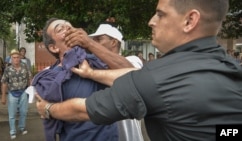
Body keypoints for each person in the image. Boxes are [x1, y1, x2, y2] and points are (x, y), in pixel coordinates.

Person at [36, 0, 242, 141]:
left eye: (160, 14)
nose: (151, 21)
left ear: (190, 21)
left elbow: (84, 109)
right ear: (53, 47)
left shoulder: (157, 79)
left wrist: (47, 109)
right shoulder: (232, 69)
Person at [32, 18, 118, 141]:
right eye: (60, 29)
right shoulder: (51, 81)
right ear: (54, 48)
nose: (67, 28)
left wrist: (91, 71)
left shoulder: (98, 62)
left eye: (69, 26)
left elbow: (131, 76)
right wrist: (47, 109)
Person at [87, 23, 144, 141]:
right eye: (93, 40)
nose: (94, 43)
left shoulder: (133, 60)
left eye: (99, 39)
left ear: (113, 42)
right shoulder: (91, 66)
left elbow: (131, 76)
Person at [1, 49, 32, 139]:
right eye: (14, 58)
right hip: (12, 94)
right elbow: (4, 82)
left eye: (18, 57)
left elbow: (30, 78)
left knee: (23, 112)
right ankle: (13, 131)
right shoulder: (8, 69)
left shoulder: (25, 67)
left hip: (23, 92)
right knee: (12, 114)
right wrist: (3, 96)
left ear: (20, 58)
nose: (16, 59)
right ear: (11, 58)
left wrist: (31, 90)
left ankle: (22, 128)